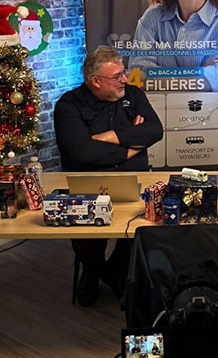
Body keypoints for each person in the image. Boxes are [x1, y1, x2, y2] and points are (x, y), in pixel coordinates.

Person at [54, 45, 163, 305]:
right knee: (87, 238)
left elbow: (155, 131)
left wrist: (112, 137)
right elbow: (83, 152)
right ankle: (94, 272)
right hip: (87, 183)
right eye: (117, 77)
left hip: (134, 181)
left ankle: (116, 272)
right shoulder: (68, 106)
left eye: (123, 73)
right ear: (96, 81)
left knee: (139, 229)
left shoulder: (133, 95)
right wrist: (131, 148)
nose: (125, 79)